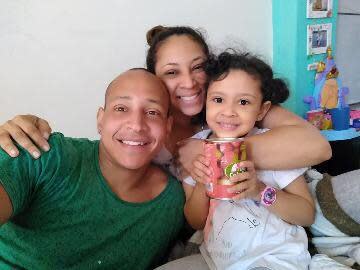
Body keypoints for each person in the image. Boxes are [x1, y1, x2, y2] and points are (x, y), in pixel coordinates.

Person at [0, 25, 331, 176]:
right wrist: (27, 126)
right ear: (154, 80)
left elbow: (318, 146)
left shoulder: (229, 108)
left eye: (199, 68)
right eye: (172, 73)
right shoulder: (142, 129)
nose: (188, 83)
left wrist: (214, 153)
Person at [0, 69, 185, 269]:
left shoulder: (173, 203)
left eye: (152, 112)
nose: (137, 125)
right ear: (100, 120)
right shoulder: (44, 153)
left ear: (167, 126)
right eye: (121, 108)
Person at [159, 51, 316, 270]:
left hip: (274, 257)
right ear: (206, 102)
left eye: (243, 101)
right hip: (219, 259)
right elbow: (196, 221)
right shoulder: (195, 150)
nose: (229, 111)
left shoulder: (274, 147)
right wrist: (203, 183)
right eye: (218, 99)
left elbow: (306, 214)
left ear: (262, 110)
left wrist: (259, 190)